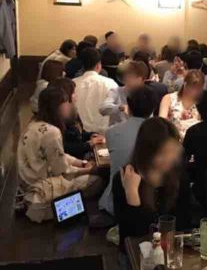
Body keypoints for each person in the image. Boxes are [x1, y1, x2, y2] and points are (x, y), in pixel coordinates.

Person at [18, 87, 103, 223]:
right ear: (57, 107)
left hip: (29, 180)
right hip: (42, 184)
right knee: (97, 180)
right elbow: (62, 170)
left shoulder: (33, 123)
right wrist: (89, 169)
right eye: (66, 103)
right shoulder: (52, 132)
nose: (69, 106)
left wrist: (81, 163)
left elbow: (59, 155)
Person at [112, 117, 191, 253]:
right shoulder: (125, 179)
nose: (169, 158)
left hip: (172, 251)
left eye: (172, 151)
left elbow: (183, 224)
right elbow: (131, 237)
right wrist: (132, 194)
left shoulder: (178, 176)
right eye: (162, 153)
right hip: (137, 254)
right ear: (147, 152)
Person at [99, 86, 156, 215]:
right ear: (153, 108)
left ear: (128, 105)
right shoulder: (161, 133)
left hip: (116, 201)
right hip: (153, 201)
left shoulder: (111, 132)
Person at [50, 77, 104, 160]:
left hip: (80, 156)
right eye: (74, 93)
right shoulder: (55, 119)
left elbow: (80, 133)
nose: (76, 96)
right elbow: (64, 147)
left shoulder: (73, 111)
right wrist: (88, 144)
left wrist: (91, 135)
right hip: (71, 160)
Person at [74, 47, 118, 134]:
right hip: (105, 134)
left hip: (79, 133)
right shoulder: (110, 83)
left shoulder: (73, 84)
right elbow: (117, 110)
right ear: (98, 65)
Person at [99, 61, 148, 127]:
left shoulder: (146, 94)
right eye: (127, 76)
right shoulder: (116, 91)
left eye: (132, 77)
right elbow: (103, 109)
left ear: (142, 79)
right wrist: (121, 107)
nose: (128, 79)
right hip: (117, 130)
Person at [159, 69, 203, 138]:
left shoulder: (201, 103)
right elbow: (161, 123)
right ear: (185, 84)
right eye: (192, 87)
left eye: (198, 89)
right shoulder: (169, 98)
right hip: (173, 139)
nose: (194, 91)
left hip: (194, 140)